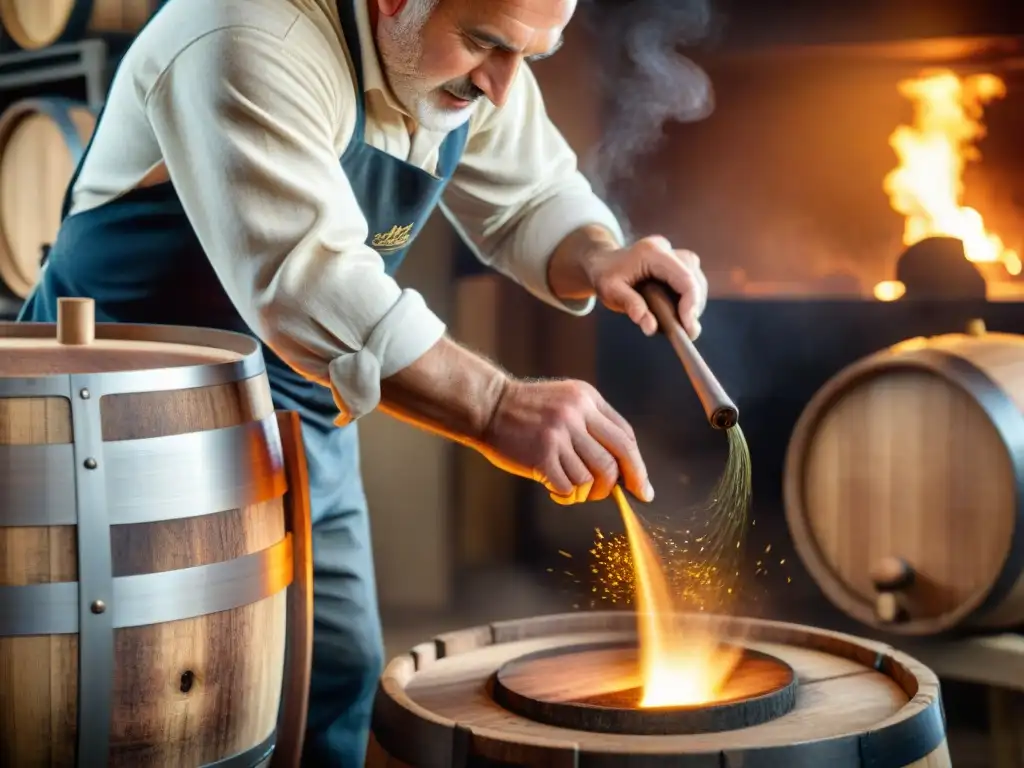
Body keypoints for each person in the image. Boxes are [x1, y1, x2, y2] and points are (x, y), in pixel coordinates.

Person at [19, 0, 709, 763]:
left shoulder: (473, 59)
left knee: (333, 675)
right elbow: (310, 286)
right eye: (487, 46)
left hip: (302, 407)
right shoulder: (243, 32)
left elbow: (533, 197)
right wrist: (495, 405)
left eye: (531, 56)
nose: (505, 86)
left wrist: (599, 255)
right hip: (119, 420)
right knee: (140, 707)